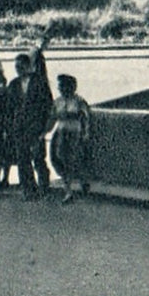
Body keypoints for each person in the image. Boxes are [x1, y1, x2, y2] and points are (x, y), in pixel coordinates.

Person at [3, 53, 54, 198]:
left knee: (39, 158)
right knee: (22, 159)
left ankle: (44, 187)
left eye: (21, 66)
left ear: (28, 66)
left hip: (36, 126)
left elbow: (48, 104)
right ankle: (28, 190)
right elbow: (9, 109)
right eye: (16, 67)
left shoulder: (40, 82)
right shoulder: (13, 84)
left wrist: (45, 126)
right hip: (19, 126)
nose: (18, 69)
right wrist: (8, 128)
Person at [47, 73, 92, 203]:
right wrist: (45, 132)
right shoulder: (58, 102)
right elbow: (52, 118)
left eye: (63, 86)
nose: (60, 89)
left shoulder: (79, 101)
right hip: (61, 133)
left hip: (74, 133)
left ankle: (82, 182)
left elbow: (86, 119)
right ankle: (68, 191)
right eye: (60, 86)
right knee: (60, 160)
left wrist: (85, 133)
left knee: (74, 160)